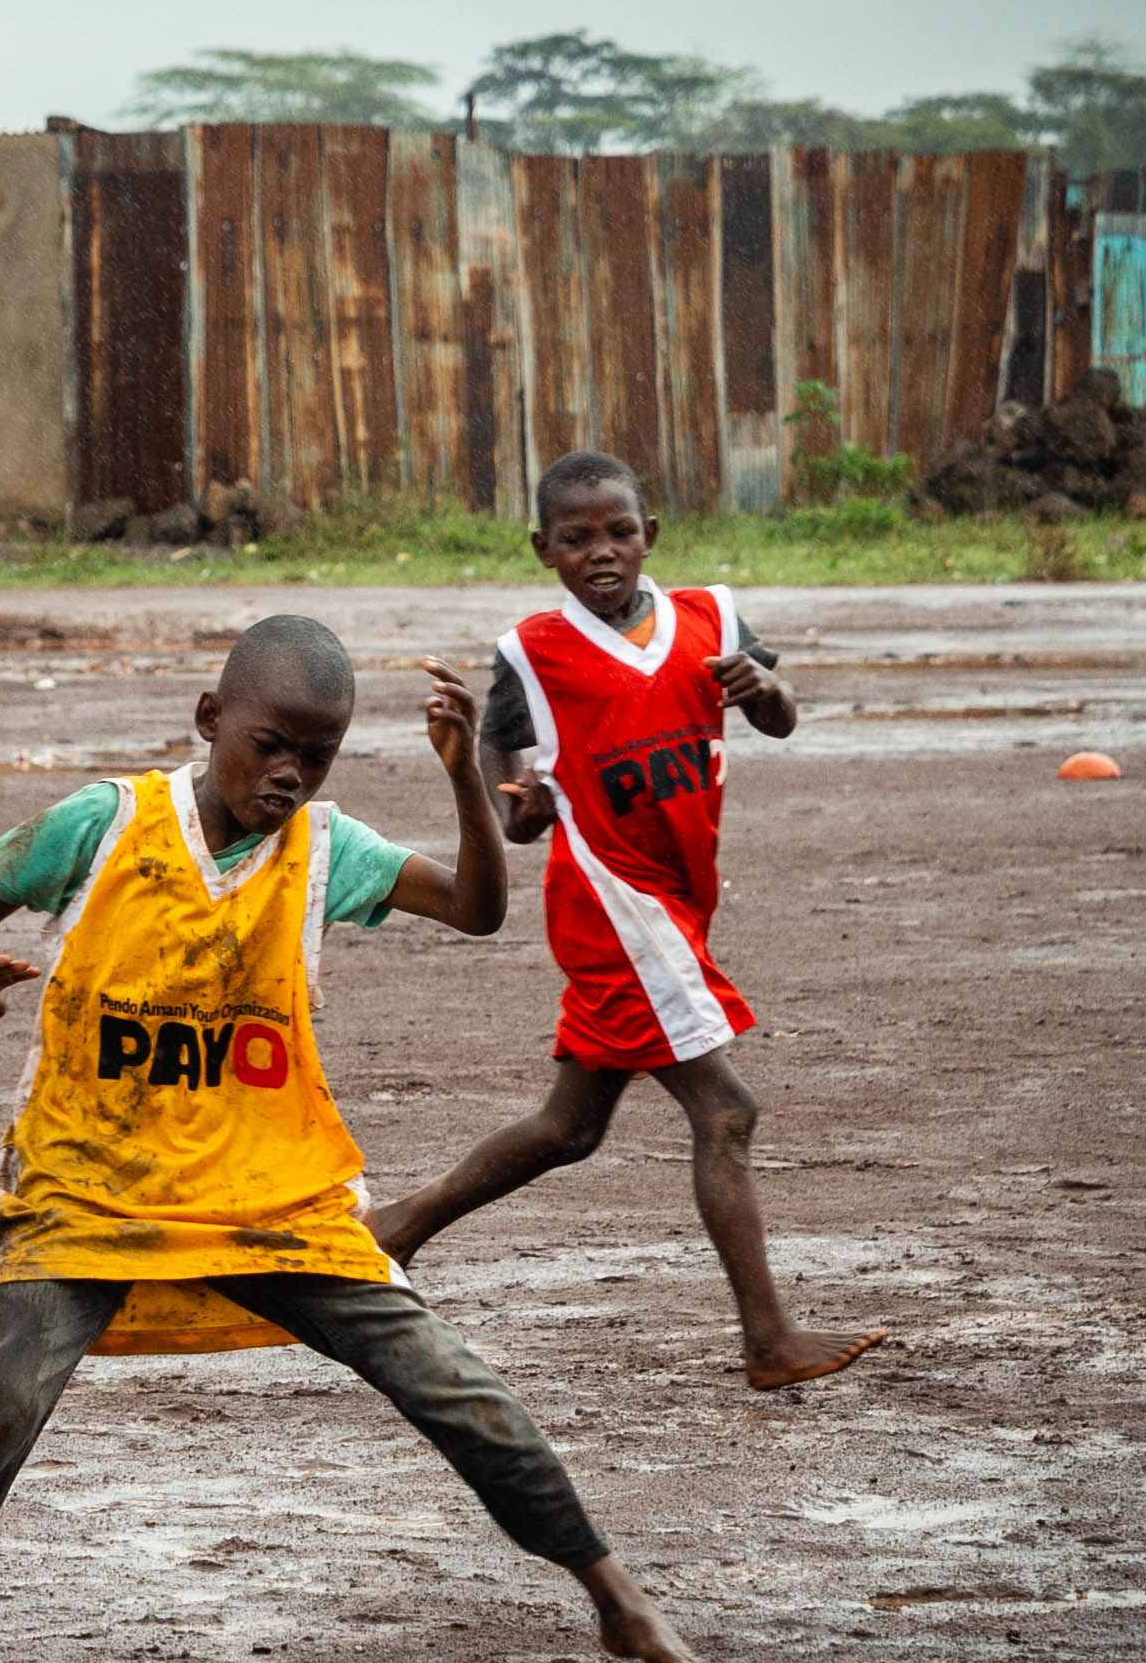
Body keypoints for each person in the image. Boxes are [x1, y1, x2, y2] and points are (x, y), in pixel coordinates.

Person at [0, 617, 707, 1663]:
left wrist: (463, 781)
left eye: (316, 756)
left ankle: (609, 1588)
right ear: (208, 721)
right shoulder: (105, 822)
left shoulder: (328, 850)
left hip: (271, 1197)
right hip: (90, 1184)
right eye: (269, 746)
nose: (288, 774)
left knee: (446, 1377)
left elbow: (479, 911)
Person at [365, 452, 889, 1392]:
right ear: (542, 549)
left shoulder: (713, 619)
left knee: (568, 1130)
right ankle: (768, 1340)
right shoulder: (532, 649)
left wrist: (764, 692)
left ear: (651, 535)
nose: (599, 553)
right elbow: (502, 758)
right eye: (575, 539)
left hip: (676, 905)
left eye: (617, 532)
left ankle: (392, 1230)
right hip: (613, 905)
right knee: (726, 1111)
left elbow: (778, 719)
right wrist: (511, 806)